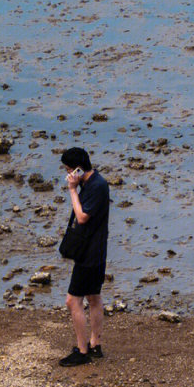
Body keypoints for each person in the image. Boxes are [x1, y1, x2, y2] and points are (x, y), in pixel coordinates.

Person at [57, 147, 109, 367]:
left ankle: (82, 350)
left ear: (78, 168)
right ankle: (95, 344)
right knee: (94, 297)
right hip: (96, 251)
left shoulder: (96, 186)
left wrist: (71, 190)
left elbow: (82, 216)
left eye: (69, 170)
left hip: (89, 254)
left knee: (72, 301)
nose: (69, 174)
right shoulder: (93, 182)